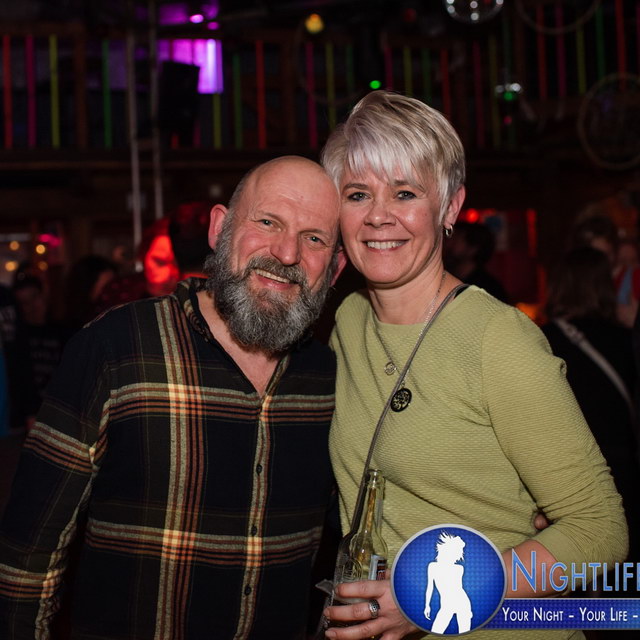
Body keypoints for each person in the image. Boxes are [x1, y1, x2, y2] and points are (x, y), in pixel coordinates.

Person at [319, 91, 627, 639]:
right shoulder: (348, 322)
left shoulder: (497, 338)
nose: (379, 215)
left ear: (450, 207)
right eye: (358, 194)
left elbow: (600, 529)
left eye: (405, 192)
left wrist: (421, 599)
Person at [0, 155, 346, 640]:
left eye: (315, 239)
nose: (287, 252)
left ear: (335, 268)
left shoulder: (332, 377)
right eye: (267, 222)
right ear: (220, 229)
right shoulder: (116, 347)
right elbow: (28, 552)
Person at [542, 247, 639, 570]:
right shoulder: (627, 339)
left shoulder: (544, 339)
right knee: (622, 557)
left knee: (575, 557)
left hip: (568, 465)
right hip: (624, 461)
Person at [443, 220, 509, 303]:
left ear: (472, 249)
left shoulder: (488, 289)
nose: (447, 243)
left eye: (455, 239)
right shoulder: (447, 281)